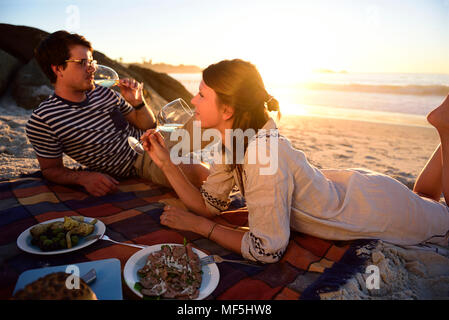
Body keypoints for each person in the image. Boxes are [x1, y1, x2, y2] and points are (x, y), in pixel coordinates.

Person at [141, 58, 449, 264]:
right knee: (425, 199)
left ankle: (445, 129)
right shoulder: (231, 143)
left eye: (202, 95)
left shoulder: (262, 156)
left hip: (377, 210)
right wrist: (167, 164)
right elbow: (210, 204)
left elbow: (267, 249)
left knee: (441, 216)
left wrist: (199, 226)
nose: (193, 101)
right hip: (361, 191)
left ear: (228, 111)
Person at [25, 31, 209, 197]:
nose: (92, 69)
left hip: (156, 137)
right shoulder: (43, 119)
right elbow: (50, 169)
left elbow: (147, 125)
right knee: (203, 176)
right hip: (140, 163)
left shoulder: (103, 92)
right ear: (57, 69)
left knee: (218, 120)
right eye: (82, 63)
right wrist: (84, 178)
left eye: (91, 62)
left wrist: (137, 102)